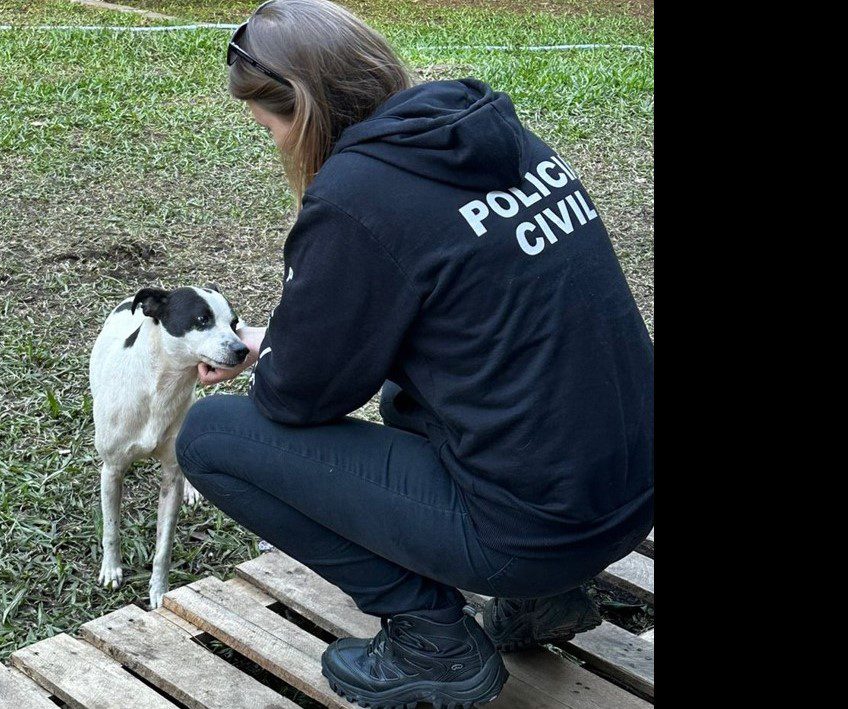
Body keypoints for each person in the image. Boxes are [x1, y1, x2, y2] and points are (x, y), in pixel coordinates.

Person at [174, 1, 654, 707]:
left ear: (302, 112)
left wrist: (273, 360)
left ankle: (430, 637)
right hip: (626, 495)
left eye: (268, 124)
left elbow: (298, 398)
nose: (271, 140)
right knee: (410, 396)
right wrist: (272, 339)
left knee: (211, 437)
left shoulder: (354, 197)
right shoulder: (496, 140)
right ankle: (544, 599)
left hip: (534, 529)